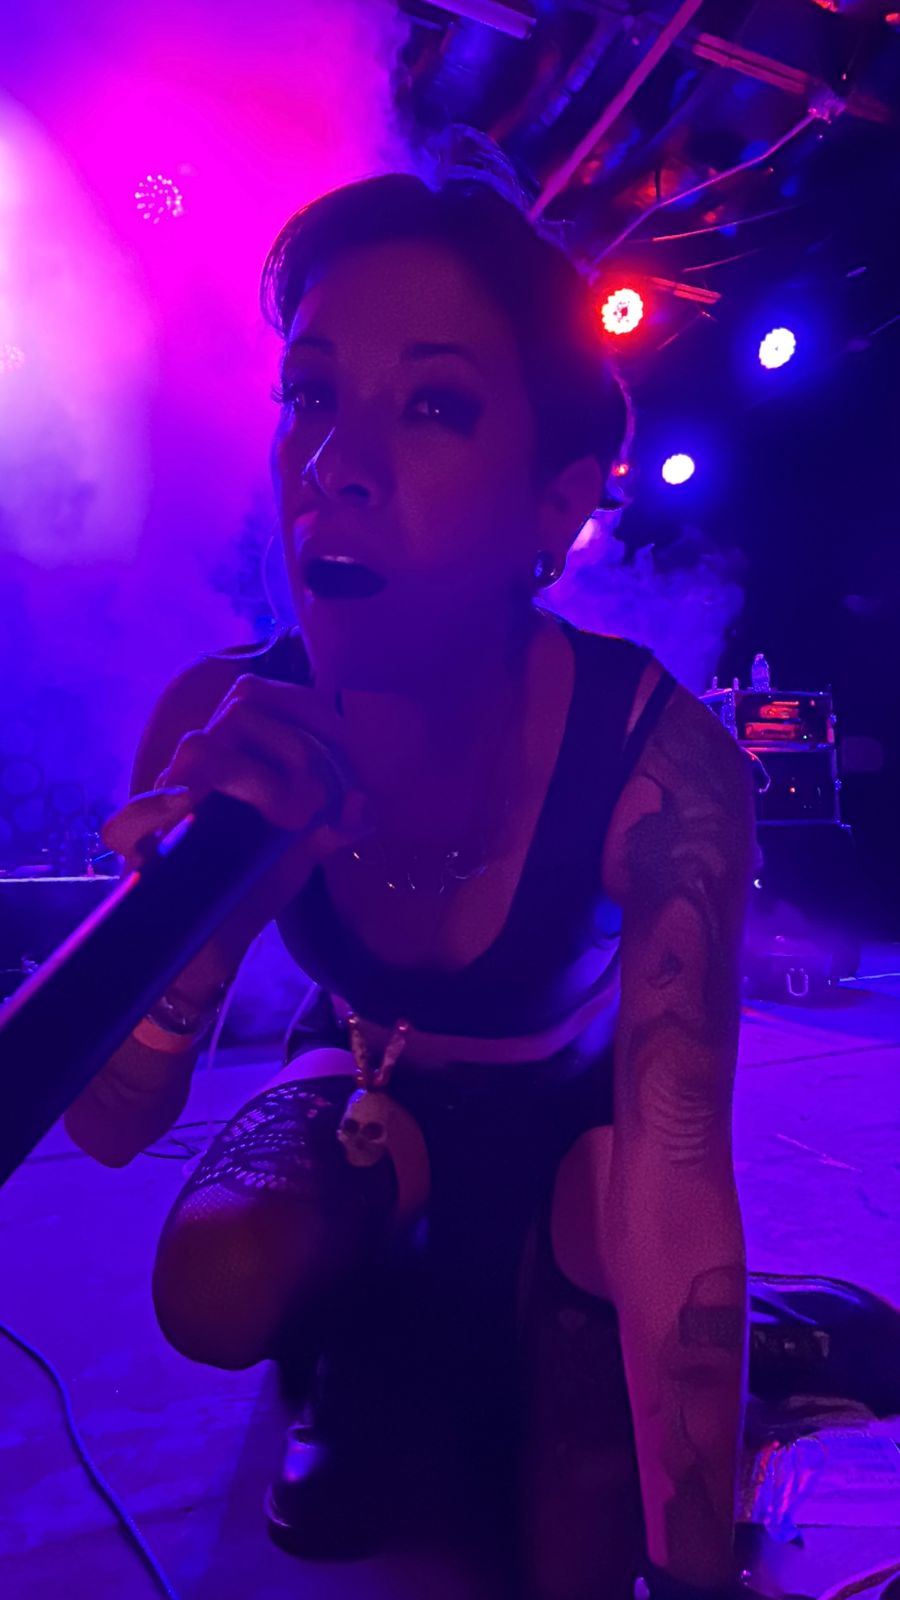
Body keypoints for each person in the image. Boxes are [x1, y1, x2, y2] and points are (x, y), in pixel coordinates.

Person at [66, 158, 756, 1600]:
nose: (334, 463)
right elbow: (111, 1126)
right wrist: (200, 918)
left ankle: (549, 1329)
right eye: (311, 394)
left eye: (433, 405)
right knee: (216, 1283)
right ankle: (371, 1328)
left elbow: (681, 1159)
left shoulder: (661, 761)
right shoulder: (222, 717)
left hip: (581, 1119)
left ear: (555, 509)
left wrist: (695, 1569)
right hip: (371, 1084)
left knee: (582, 1524)